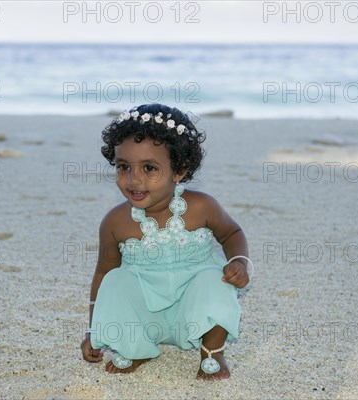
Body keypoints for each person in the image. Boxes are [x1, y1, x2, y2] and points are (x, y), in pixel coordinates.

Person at [80, 103, 252, 380]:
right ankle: (138, 349)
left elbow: (232, 233)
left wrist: (239, 261)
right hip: (146, 315)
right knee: (116, 280)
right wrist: (93, 330)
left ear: (180, 170)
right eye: (124, 167)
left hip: (194, 311)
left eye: (149, 168)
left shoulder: (202, 207)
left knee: (215, 279)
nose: (133, 180)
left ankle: (212, 352)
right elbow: (103, 274)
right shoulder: (116, 222)